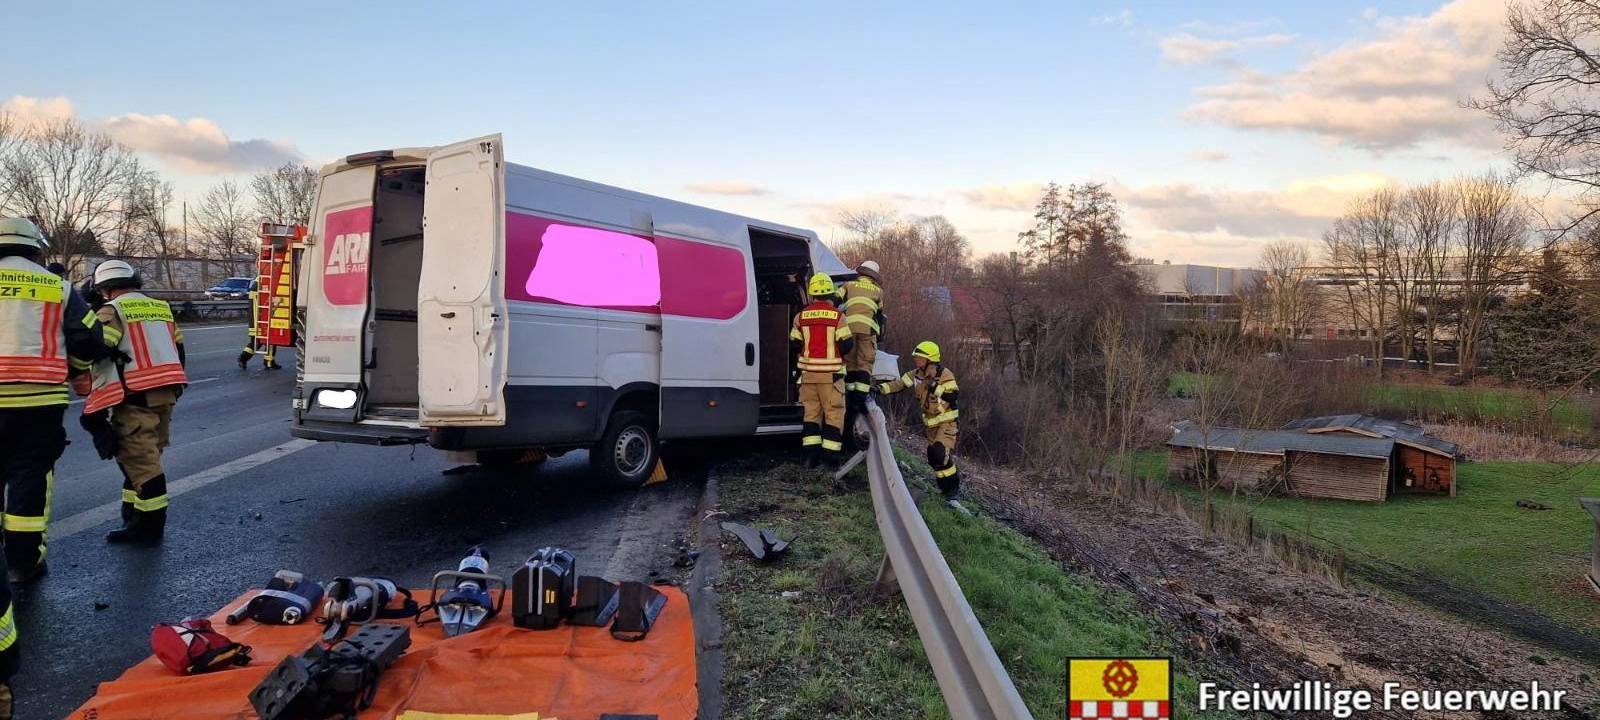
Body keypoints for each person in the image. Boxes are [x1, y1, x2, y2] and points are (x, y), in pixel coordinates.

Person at [0, 217, 120, 716]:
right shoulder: (55, 286)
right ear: (34, 249)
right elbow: (88, 339)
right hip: (36, 405)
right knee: (30, 479)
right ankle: (23, 561)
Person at [78, 259, 187, 545]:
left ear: (104, 289)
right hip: (166, 391)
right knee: (144, 457)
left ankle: (149, 528)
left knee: (141, 462)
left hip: (135, 396)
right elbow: (178, 348)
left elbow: (97, 348)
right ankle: (132, 515)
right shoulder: (160, 307)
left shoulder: (112, 310)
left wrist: (90, 319)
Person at [876, 341, 961, 499]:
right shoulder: (916, 375)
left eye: (920, 357)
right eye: (916, 357)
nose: (916, 359)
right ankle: (945, 490)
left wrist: (934, 387)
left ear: (930, 359)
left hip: (947, 423)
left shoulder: (944, 374)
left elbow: (953, 396)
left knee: (940, 453)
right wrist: (879, 389)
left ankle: (953, 489)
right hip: (930, 425)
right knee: (934, 458)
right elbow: (899, 384)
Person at [790, 272, 854, 467]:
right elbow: (847, 345)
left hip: (808, 377)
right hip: (831, 377)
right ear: (830, 294)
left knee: (811, 415)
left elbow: (794, 344)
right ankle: (829, 461)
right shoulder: (838, 316)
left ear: (812, 295)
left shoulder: (800, 317)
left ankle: (809, 459)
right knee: (834, 415)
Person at [836, 261, 884, 440]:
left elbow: (834, 300)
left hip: (848, 329)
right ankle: (859, 398)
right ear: (874, 276)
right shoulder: (878, 291)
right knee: (864, 362)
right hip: (867, 332)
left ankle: (849, 392)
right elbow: (879, 316)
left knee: (849, 361)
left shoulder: (848, 285)